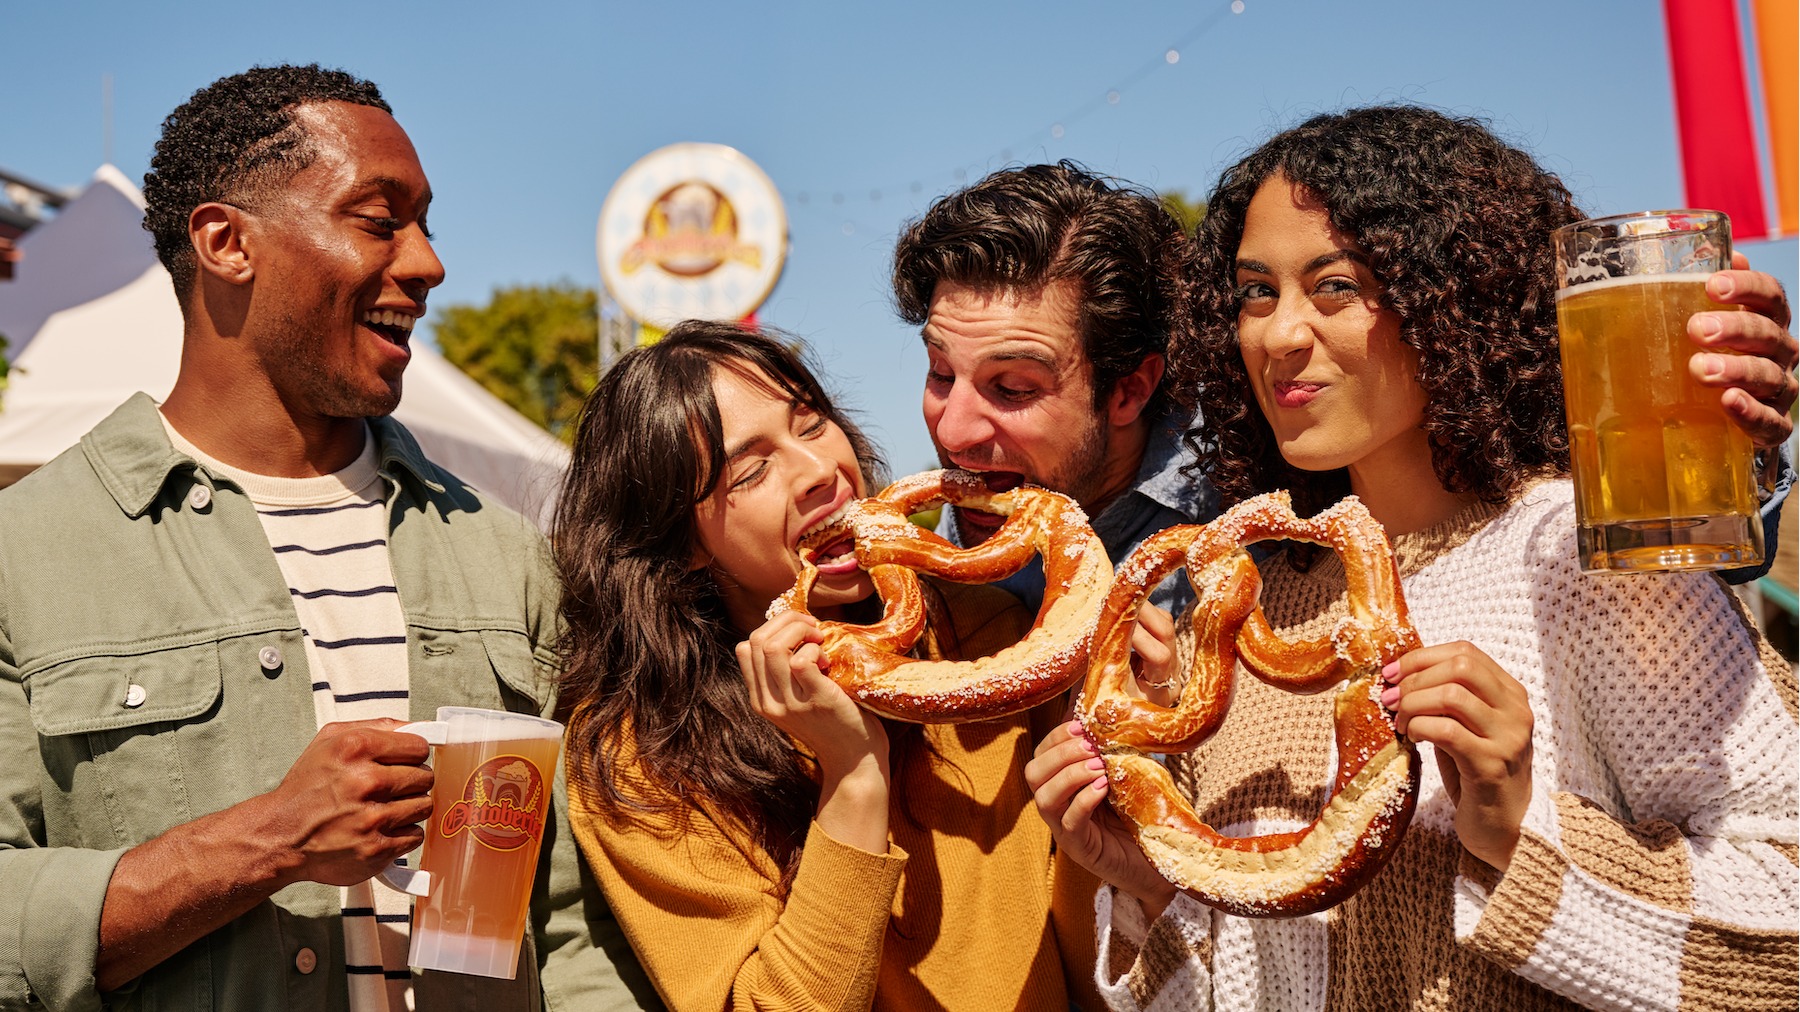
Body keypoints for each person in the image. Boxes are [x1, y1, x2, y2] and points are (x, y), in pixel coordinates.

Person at [1025, 105, 1798, 1011]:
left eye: (1336, 287)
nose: (1278, 334)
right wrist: (1152, 885)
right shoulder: (1240, 606)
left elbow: (1781, 931)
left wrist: (1520, 831)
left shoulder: (1582, 559)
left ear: (1452, 300)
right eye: (1256, 291)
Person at [0, 65, 649, 1012]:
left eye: (426, 224)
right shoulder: (28, 555)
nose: (427, 265)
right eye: (380, 220)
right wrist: (271, 839)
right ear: (226, 242)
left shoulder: (505, 559)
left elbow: (574, 930)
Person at [890, 163, 1797, 620]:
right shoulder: (929, 569)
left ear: (1131, 389)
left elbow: (1537, 550)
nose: (954, 427)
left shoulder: (1273, 490)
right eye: (939, 373)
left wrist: (1731, 450)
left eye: (1011, 387)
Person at [553, 321, 1076, 1011]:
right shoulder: (641, 754)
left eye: (811, 424)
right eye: (751, 469)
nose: (817, 473)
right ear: (683, 545)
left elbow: (1081, 948)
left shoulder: (990, 641)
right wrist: (854, 777)